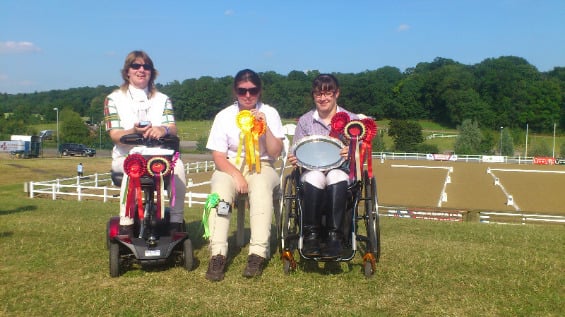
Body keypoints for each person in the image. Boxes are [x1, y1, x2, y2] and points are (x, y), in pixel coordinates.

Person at [205, 69, 284, 281]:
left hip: (263, 166)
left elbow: (276, 152)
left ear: (259, 91)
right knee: (220, 191)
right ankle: (218, 253)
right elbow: (218, 156)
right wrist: (236, 175)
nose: (247, 95)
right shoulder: (224, 116)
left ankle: (257, 253)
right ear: (235, 91)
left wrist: (265, 127)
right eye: (242, 90)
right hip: (230, 166)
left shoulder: (270, 112)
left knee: (259, 187)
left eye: (253, 90)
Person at [103, 50, 187, 236]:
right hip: (128, 155)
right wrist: (133, 131)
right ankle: (126, 223)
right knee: (131, 167)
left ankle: (176, 221)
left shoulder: (163, 99)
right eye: (136, 66)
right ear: (127, 72)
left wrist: (162, 129)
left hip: (159, 155)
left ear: (151, 72)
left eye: (146, 66)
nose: (141, 70)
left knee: (178, 167)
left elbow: (172, 128)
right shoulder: (113, 99)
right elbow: (115, 134)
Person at [287, 74, 358, 259]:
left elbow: (360, 154)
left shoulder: (352, 119)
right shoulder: (305, 120)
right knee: (314, 177)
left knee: (335, 176)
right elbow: (296, 150)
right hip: (312, 170)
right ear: (313, 96)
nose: (323, 98)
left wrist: (351, 151)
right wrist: (293, 158)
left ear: (337, 94)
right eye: (318, 94)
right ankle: (311, 236)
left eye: (328, 93)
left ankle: (335, 238)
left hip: (341, 170)